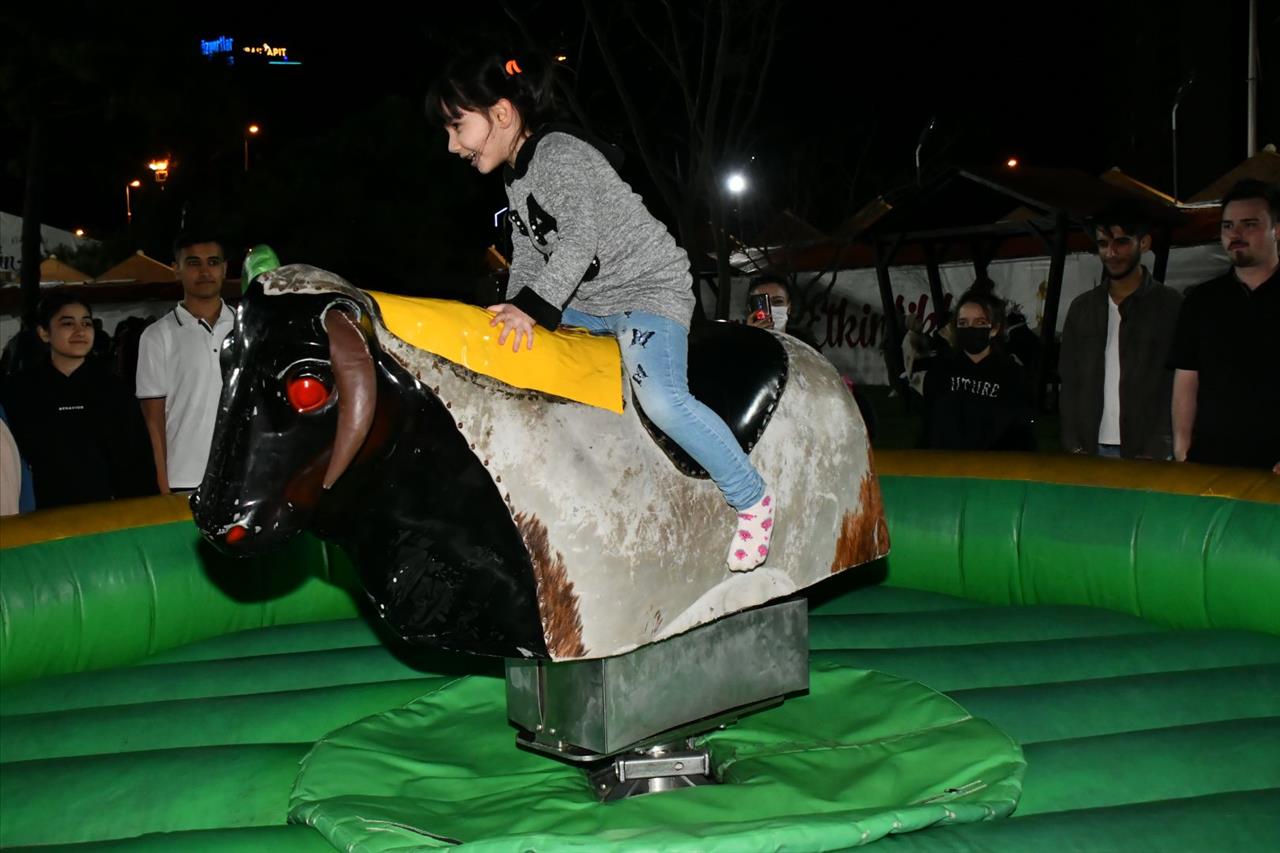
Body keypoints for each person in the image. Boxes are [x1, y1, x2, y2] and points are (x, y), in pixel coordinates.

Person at [432, 47, 774, 571]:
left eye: (457, 127)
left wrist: (532, 310)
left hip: (646, 292)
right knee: (521, 346)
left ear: (501, 114)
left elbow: (577, 244)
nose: (452, 145)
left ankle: (751, 498)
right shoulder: (516, 177)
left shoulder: (560, 155)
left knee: (662, 400)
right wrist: (508, 310)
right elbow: (527, 254)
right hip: (590, 303)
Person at [0, 293, 156, 508]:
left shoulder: (115, 391)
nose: (80, 331)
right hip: (37, 519)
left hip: (108, 516)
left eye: (86, 323)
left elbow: (138, 463)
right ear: (44, 332)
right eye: (67, 323)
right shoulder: (18, 392)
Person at [1171, 179, 1280, 473]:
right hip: (1210, 465)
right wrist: (1182, 450)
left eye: (1249, 224)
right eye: (1228, 226)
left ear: (1276, 230)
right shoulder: (1201, 301)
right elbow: (1186, 377)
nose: (1236, 234)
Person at [1059, 206, 1182, 459]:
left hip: (1148, 449)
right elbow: (1069, 379)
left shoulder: (1171, 305)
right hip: (1089, 447)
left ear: (1144, 243)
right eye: (1103, 244)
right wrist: (1072, 440)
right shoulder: (1082, 307)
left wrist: (1160, 444)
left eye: (1121, 242)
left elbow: (1177, 382)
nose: (1111, 252)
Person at [136, 232, 235, 493]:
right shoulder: (157, 336)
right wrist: (162, 485)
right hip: (184, 481)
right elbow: (153, 420)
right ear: (176, 270)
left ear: (225, 269)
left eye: (213, 262)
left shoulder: (247, 328)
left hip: (242, 478)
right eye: (193, 263)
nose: (205, 271)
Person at [920, 288, 1035, 451]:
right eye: (963, 323)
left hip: (994, 471)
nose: (970, 329)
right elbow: (929, 429)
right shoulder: (939, 373)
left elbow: (1021, 435)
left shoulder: (1013, 376)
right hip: (947, 469)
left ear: (994, 329)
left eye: (980, 322)